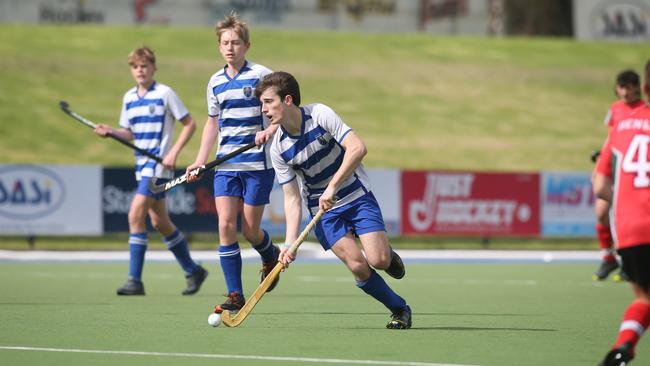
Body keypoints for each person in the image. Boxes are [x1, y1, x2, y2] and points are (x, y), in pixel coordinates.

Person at [255, 71, 411, 329]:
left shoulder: (319, 114)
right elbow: (292, 198)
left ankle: (386, 254)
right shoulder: (279, 149)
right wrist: (289, 243)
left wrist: (333, 185)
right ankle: (399, 308)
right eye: (262, 103)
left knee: (379, 260)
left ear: (288, 100)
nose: (264, 110)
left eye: (269, 102)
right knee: (358, 266)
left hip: (356, 195)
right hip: (323, 211)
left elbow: (358, 148)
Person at [185, 13, 280, 313]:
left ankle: (269, 254)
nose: (230, 48)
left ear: (247, 45)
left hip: (256, 165)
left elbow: (280, 113)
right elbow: (212, 124)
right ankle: (235, 294)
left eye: (236, 42)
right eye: (225, 43)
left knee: (250, 231)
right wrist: (201, 159)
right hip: (225, 167)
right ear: (219, 46)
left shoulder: (262, 76)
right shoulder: (214, 82)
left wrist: (268, 130)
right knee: (225, 225)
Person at [94, 46, 208, 296]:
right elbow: (129, 133)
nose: (140, 71)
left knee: (135, 215)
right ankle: (193, 270)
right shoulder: (129, 98)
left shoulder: (165, 93)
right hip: (141, 166)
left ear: (153, 68)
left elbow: (189, 123)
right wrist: (111, 131)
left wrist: (173, 153)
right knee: (160, 222)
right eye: (135, 67)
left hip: (158, 167)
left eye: (144, 66)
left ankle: (135, 280)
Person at [594, 61, 650, 365]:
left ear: (643, 88)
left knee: (643, 298)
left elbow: (599, 184)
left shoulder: (622, 126)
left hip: (630, 228)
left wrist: (626, 197)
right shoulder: (614, 111)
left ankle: (623, 347)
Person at [592, 69, 643, 282]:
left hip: (634, 170)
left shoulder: (643, 110)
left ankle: (627, 261)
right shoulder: (615, 110)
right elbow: (611, 137)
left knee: (628, 214)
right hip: (615, 165)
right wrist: (602, 156)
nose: (625, 92)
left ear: (637, 88)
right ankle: (608, 257)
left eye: (629, 88)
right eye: (621, 88)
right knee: (601, 212)